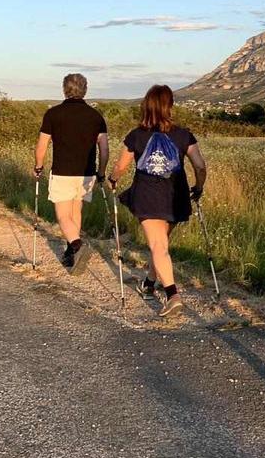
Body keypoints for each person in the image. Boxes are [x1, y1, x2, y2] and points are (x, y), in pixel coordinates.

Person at [109, 84, 207, 317]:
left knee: (158, 246)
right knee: (160, 244)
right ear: (169, 106)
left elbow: (120, 166)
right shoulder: (184, 135)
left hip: (147, 197)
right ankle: (150, 284)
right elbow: (200, 166)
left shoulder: (136, 135)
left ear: (147, 106)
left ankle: (173, 295)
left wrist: (112, 179)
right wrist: (199, 187)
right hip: (176, 196)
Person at [34, 73, 109, 275]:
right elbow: (104, 149)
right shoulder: (96, 117)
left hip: (62, 172)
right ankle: (71, 253)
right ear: (85, 89)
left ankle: (76, 245)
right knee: (76, 211)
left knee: (63, 215)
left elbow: (42, 144)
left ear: (64, 89)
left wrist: (38, 166)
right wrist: (101, 172)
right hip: (86, 173)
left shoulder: (53, 114)